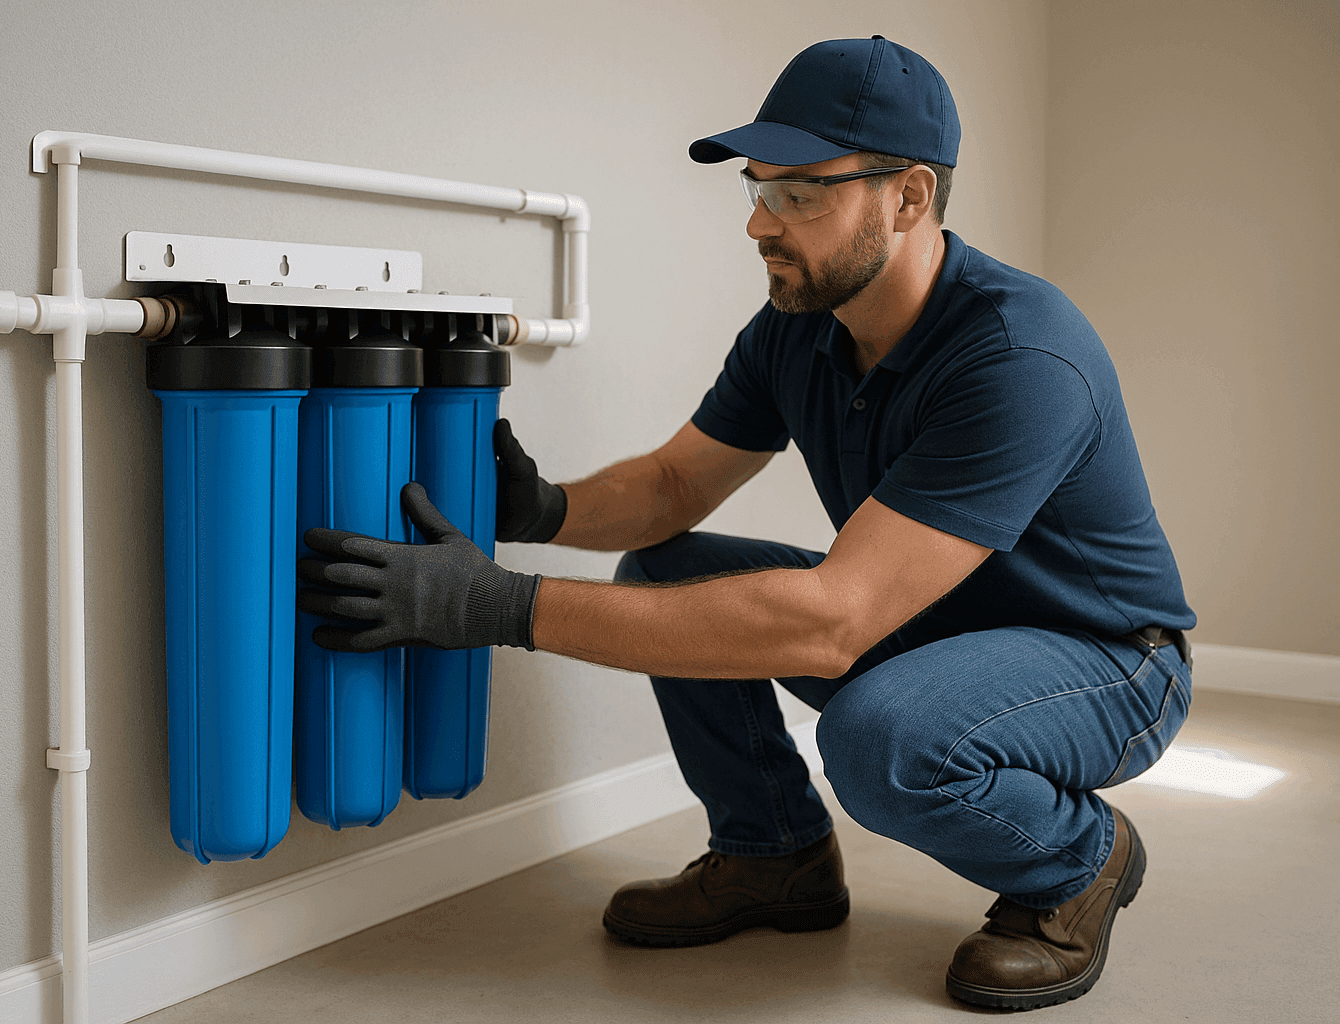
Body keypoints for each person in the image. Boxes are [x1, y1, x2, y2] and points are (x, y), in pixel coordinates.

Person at [297, 35, 1195, 1012]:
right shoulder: (798, 328)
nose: (762, 223)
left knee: (879, 736)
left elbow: (831, 620)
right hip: (937, 622)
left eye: (801, 194)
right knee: (663, 568)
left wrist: (502, 606)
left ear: (910, 197)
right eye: (757, 189)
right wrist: (544, 509)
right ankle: (774, 855)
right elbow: (677, 486)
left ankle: (1079, 860)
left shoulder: (1020, 357)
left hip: (1108, 658)